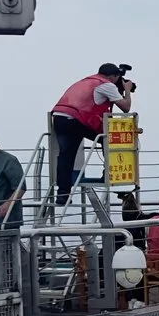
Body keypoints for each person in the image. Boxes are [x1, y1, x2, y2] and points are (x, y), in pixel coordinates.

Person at [48, 62, 133, 209]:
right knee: (109, 139)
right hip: (76, 120)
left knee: (66, 155)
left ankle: (62, 194)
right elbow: (125, 108)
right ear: (114, 76)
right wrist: (127, 90)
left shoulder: (86, 81)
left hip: (59, 118)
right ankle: (108, 174)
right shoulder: (108, 85)